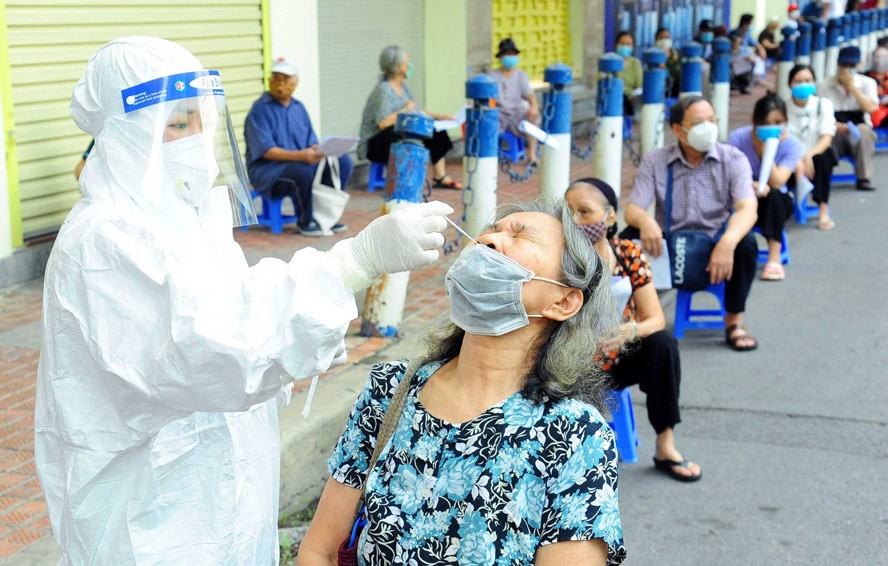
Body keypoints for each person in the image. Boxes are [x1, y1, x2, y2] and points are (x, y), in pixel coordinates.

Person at [35, 36, 455, 565]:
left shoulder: (185, 221)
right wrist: (352, 262)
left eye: (197, 120)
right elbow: (219, 345)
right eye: (175, 124)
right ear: (125, 132)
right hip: (149, 520)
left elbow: (244, 312)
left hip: (216, 498)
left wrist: (304, 341)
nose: (194, 138)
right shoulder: (106, 240)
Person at [299, 199, 627, 565]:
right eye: (491, 230)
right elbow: (320, 550)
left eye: (519, 235)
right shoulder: (390, 389)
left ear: (563, 302)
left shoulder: (575, 435)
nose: (488, 240)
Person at [565, 178, 701, 482]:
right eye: (568, 212)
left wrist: (628, 331)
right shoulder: (562, 261)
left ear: (610, 216)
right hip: (571, 362)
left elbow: (655, 318)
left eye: (584, 211)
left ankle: (665, 444)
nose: (575, 220)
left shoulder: (627, 253)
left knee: (663, 344)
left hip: (616, 357)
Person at [624, 96, 760, 352]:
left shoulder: (733, 159)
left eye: (711, 120)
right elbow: (633, 208)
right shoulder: (656, 160)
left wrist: (727, 242)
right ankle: (635, 318)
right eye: (699, 122)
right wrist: (645, 220)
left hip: (714, 241)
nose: (708, 127)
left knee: (746, 244)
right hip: (669, 244)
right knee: (626, 238)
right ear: (678, 129)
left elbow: (747, 208)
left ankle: (734, 321)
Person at [244, 57, 352, 236]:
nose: (281, 83)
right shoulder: (260, 109)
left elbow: (311, 141)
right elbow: (267, 151)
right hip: (267, 172)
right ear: (270, 80)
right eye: (276, 78)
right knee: (300, 171)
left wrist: (321, 150)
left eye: (286, 79)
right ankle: (306, 221)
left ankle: (325, 217)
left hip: (300, 162)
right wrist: (301, 156)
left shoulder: (298, 107)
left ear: (296, 82)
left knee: (344, 162)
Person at [357, 45, 462, 189]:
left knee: (435, 130)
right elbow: (383, 122)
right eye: (407, 61)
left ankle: (439, 176)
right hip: (376, 143)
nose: (410, 65)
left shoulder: (402, 86)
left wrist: (439, 117)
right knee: (403, 131)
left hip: (393, 136)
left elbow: (416, 109)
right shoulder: (384, 90)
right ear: (399, 66)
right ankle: (402, 179)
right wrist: (406, 109)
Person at [728, 93, 804, 281]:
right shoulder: (738, 138)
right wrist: (748, 185)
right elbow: (728, 174)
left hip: (774, 202)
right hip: (741, 199)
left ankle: (774, 258)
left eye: (778, 122)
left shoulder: (791, 145)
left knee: (775, 196)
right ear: (755, 122)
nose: (771, 127)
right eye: (765, 122)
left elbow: (778, 180)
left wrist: (766, 150)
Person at [785, 64, 838, 229]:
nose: (803, 85)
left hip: (815, 153)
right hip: (790, 157)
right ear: (790, 84)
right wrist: (796, 159)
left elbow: (826, 138)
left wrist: (808, 156)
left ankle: (823, 209)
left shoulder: (823, 104)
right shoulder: (782, 107)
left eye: (807, 80)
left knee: (822, 159)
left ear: (814, 83)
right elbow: (783, 139)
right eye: (798, 81)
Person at [819, 46, 879, 191]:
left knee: (864, 131)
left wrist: (853, 88)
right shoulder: (825, 85)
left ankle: (863, 178)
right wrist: (837, 126)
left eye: (851, 66)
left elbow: (871, 109)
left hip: (858, 130)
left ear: (858, 66)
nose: (847, 69)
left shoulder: (867, 83)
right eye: (844, 65)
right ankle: (821, 175)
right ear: (838, 64)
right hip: (835, 129)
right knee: (823, 134)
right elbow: (819, 113)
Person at [490, 37, 541, 163]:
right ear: (501, 56)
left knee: (533, 119)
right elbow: (489, 98)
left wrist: (534, 107)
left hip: (517, 113)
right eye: (507, 54)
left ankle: (532, 155)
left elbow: (530, 95)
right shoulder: (492, 76)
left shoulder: (521, 75)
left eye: (513, 54)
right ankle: (490, 156)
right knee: (487, 124)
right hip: (499, 114)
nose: (510, 57)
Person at [614, 31, 643, 117]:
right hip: (616, 96)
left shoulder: (635, 63)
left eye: (628, 44)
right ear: (616, 45)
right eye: (622, 43)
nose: (625, 47)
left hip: (632, 98)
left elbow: (639, 84)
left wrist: (632, 94)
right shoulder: (612, 61)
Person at [655, 27, 682, 98]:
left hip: (678, 89)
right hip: (661, 91)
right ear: (656, 40)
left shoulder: (677, 53)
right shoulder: (654, 56)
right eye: (661, 38)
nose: (664, 40)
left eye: (667, 37)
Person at [865, 47, 888, 128]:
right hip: (869, 114)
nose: (880, 60)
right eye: (877, 57)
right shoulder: (865, 77)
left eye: (884, 57)